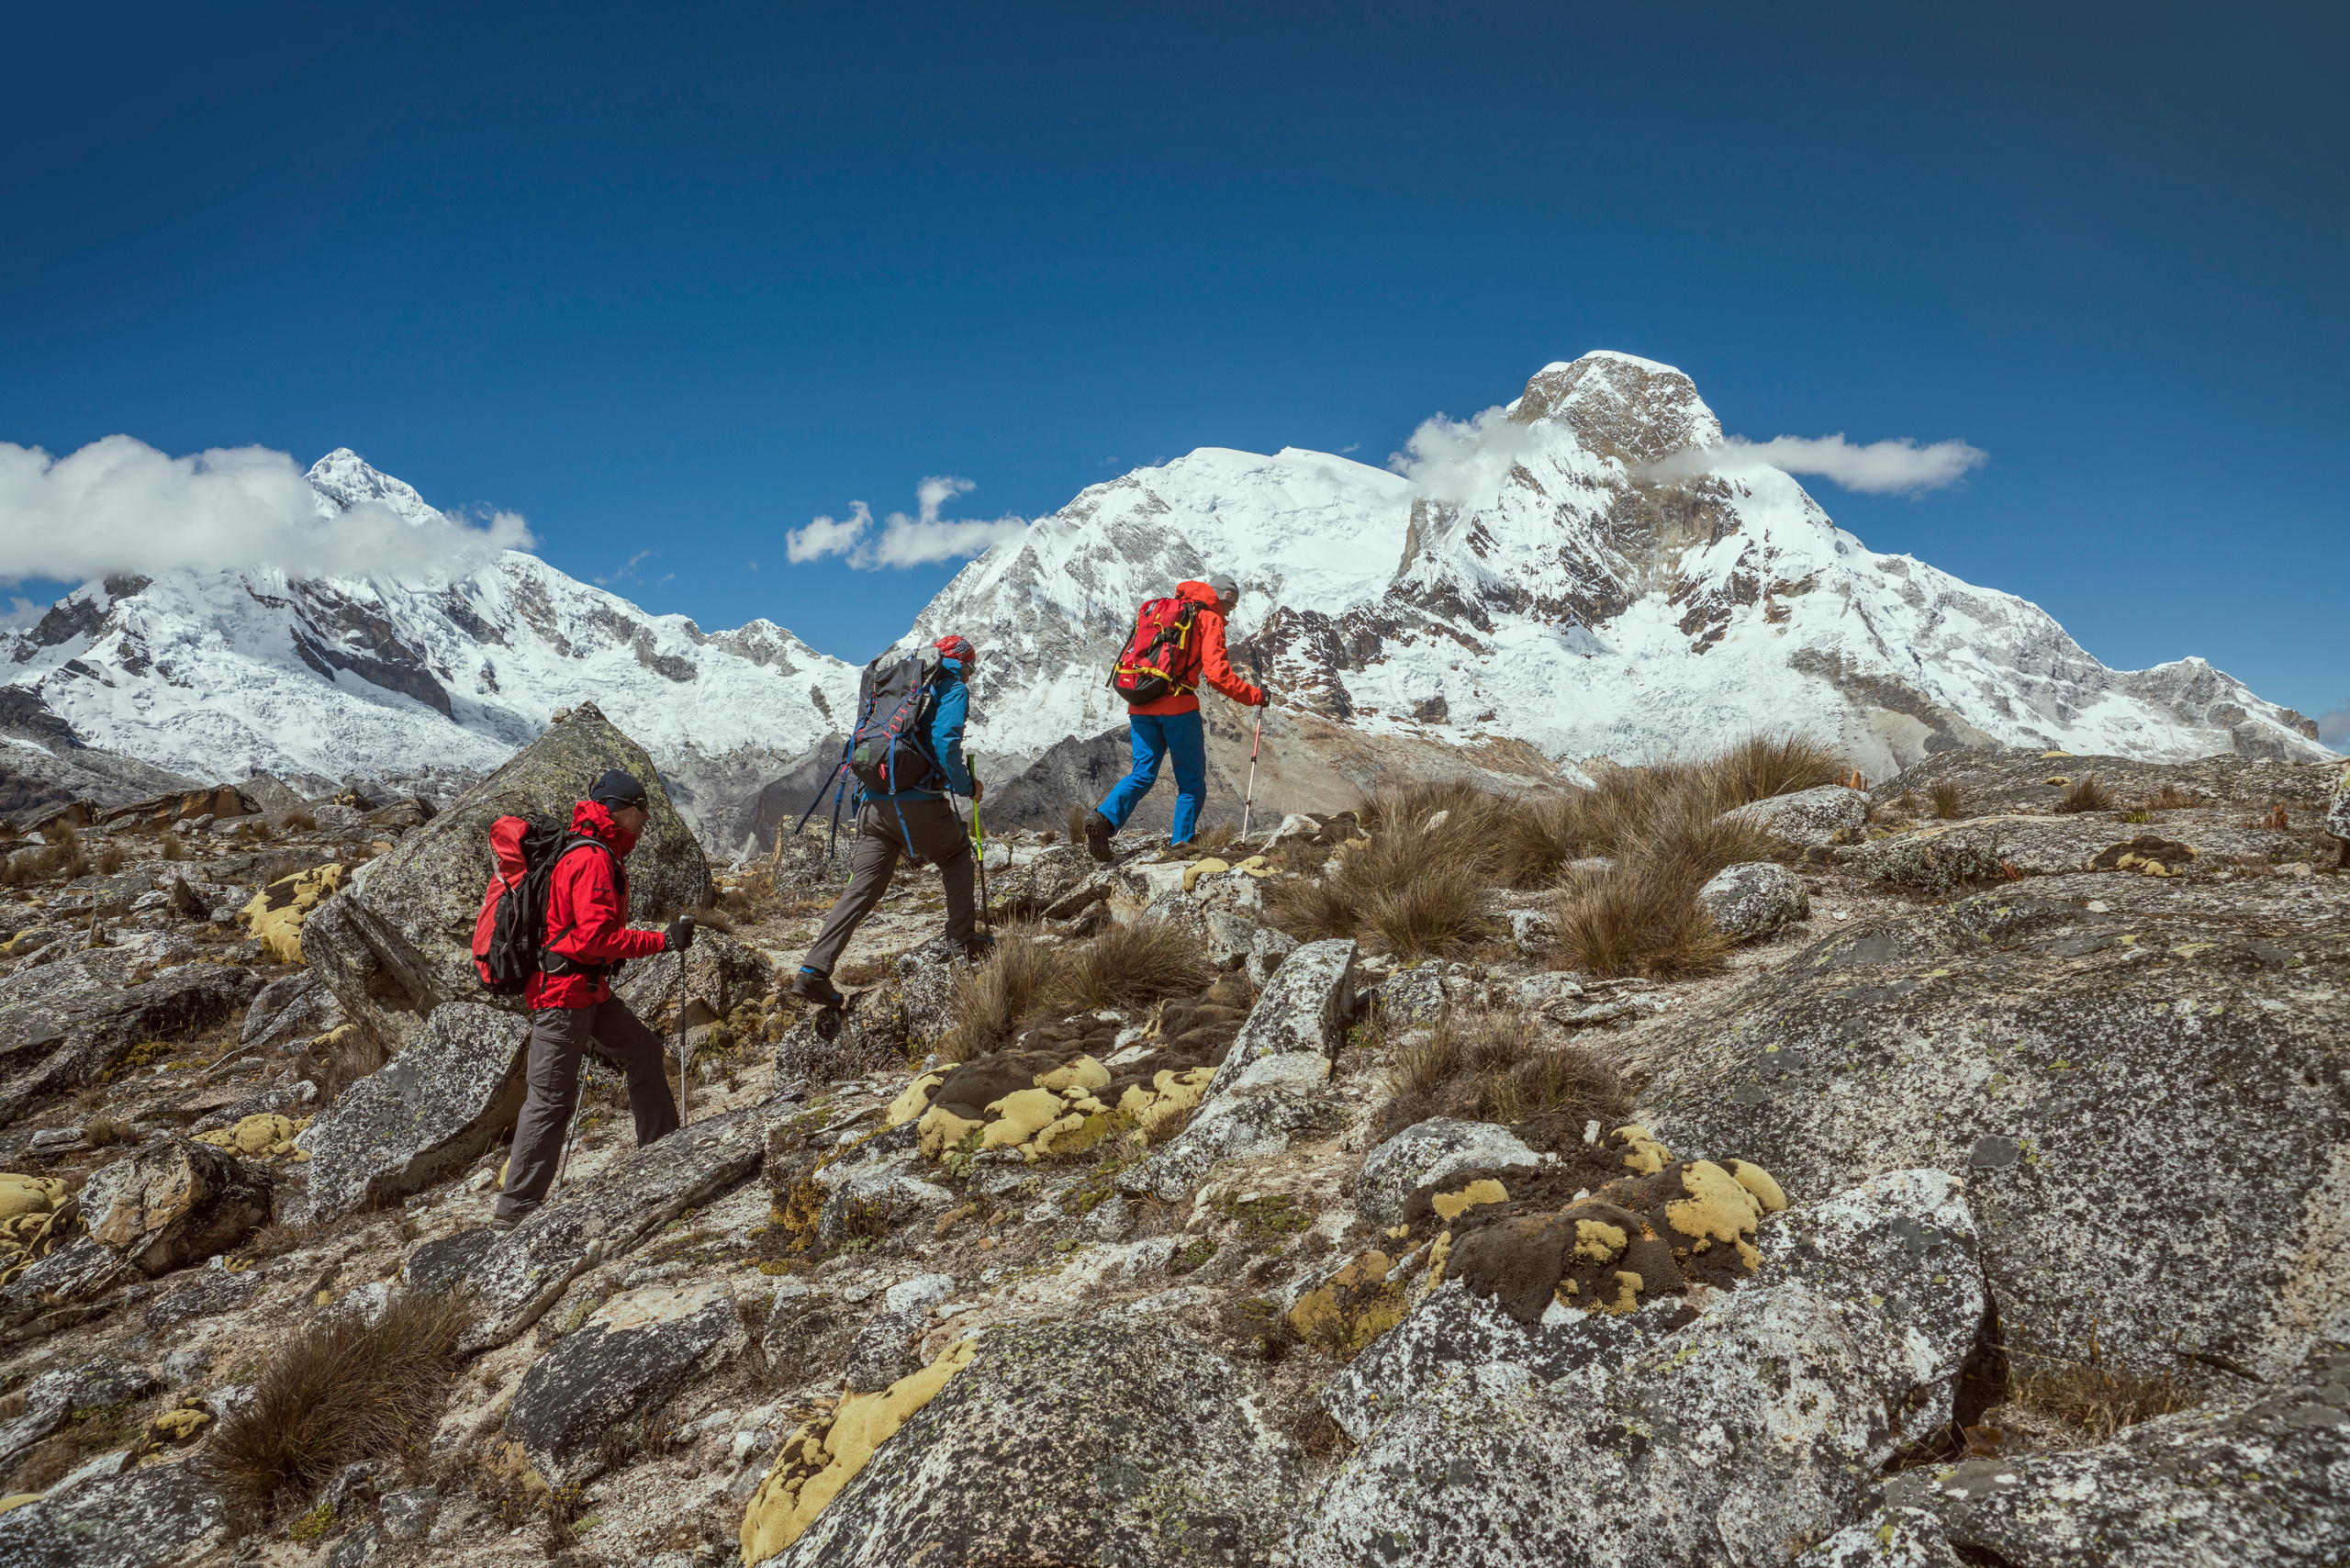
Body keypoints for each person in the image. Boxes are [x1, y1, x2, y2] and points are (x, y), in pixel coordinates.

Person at [492, 768, 696, 1230]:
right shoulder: (593, 860)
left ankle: (661, 1151)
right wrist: (661, 941)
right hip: (563, 997)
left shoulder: (591, 850)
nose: (645, 818)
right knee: (549, 1100)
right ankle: (515, 1210)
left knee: (643, 1051)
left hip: (587, 991)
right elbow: (594, 939)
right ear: (617, 810)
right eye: (640, 809)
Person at [791, 636, 986, 1008]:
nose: (969, 674)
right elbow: (946, 744)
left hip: (872, 803)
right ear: (961, 663)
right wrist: (966, 787)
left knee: (861, 888)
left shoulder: (895, 684)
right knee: (957, 856)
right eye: (970, 667)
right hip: (917, 805)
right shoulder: (952, 686)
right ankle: (962, 942)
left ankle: (813, 970)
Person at [1084, 574, 1266, 860]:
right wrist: (1255, 696)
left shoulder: (1164, 609)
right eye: (1230, 606)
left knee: (1142, 774)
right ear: (1223, 598)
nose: (1230, 613)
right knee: (1191, 782)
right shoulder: (1208, 618)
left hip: (1141, 702)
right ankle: (1180, 845)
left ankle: (1104, 819)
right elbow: (1217, 675)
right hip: (1178, 708)